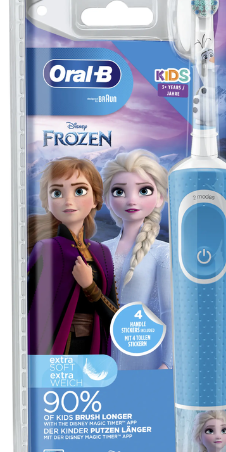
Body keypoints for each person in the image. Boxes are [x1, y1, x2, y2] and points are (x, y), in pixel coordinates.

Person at [27, 157, 118, 356]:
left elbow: (115, 319)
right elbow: (27, 307)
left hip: (95, 348)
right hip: (55, 349)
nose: (68, 201)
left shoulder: (102, 253)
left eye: (79, 191)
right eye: (57, 193)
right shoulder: (46, 249)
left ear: (95, 199)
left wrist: (90, 287)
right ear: (47, 202)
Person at [101, 149, 172, 369]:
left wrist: (167, 363)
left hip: (145, 357)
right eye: (119, 191)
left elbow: (171, 312)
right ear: (106, 199)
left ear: (160, 198)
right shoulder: (101, 249)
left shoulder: (163, 252)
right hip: (103, 356)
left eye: (144, 190)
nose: (131, 199)